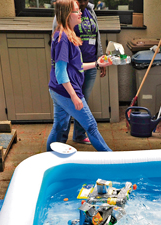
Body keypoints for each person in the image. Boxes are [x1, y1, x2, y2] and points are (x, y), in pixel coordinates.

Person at [46, 0, 112, 152]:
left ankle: (48, 159)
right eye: (77, 11)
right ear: (68, 15)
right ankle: (112, 159)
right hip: (66, 92)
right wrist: (74, 96)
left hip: (57, 90)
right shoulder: (63, 38)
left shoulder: (68, 34)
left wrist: (97, 64)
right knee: (91, 126)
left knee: (59, 127)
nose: (81, 12)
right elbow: (60, 72)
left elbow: (77, 66)